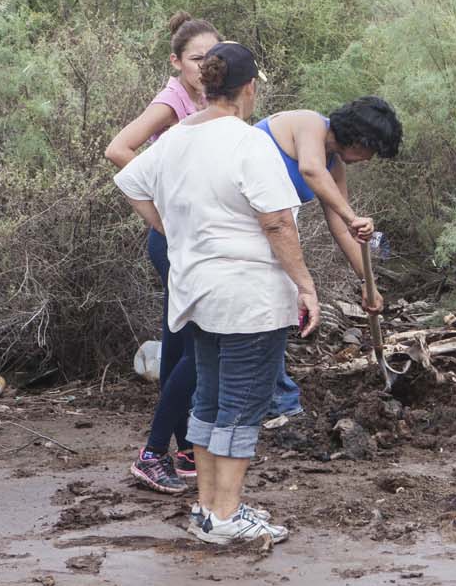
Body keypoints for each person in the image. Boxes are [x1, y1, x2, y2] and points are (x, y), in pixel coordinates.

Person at [114, 42, 318, 545]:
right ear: (249, 89)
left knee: (207, 398)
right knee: (242, 404)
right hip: (248, 295)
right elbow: (277, 223)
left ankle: (207, 510)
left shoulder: (177, 138)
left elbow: (131, 180)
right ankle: (225, 515)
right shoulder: (250, 143)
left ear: (205, 84)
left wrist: (180, 234)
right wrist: (305, 284)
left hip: (196, 292)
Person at [104, 13, 220, 494]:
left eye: (212, 59)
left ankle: (185, 451)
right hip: (174, 240)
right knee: (197, 345)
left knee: (177, 343)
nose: (204, 68)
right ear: (176, 62)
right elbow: (118, 149)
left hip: (192, 237)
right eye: (196, 60)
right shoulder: (173, 101)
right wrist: (165, 202)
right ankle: (154, 454)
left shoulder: (211, 99)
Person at [250, 98, 403, 415]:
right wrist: (353, 217)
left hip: (268, 233)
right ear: (359, 139)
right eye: (371, 151)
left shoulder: (335, 166)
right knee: (270, 309)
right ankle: (280, 404)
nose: (369, 159)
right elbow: (310, 169)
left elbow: (342, 229)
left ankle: (273, 401)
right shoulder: (310, 123)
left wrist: (368, 284)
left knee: (275, 312)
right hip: (234, 229)